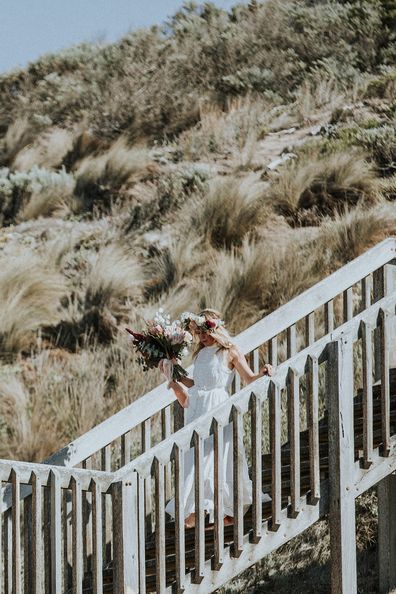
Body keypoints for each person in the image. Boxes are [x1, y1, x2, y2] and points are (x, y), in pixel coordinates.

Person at [162, 308, 273, 529]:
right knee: (196, 457)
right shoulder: (200, 354)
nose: (202, 336)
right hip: (197, 408)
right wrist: (173, 369)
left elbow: (248, 378)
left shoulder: (229, 351)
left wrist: (263, 373)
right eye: (198, 332)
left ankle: (224, 510)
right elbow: (195, 384)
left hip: (217, 407)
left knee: (216, 457)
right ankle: (199, 509)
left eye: (205, 331)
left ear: (216, 328)